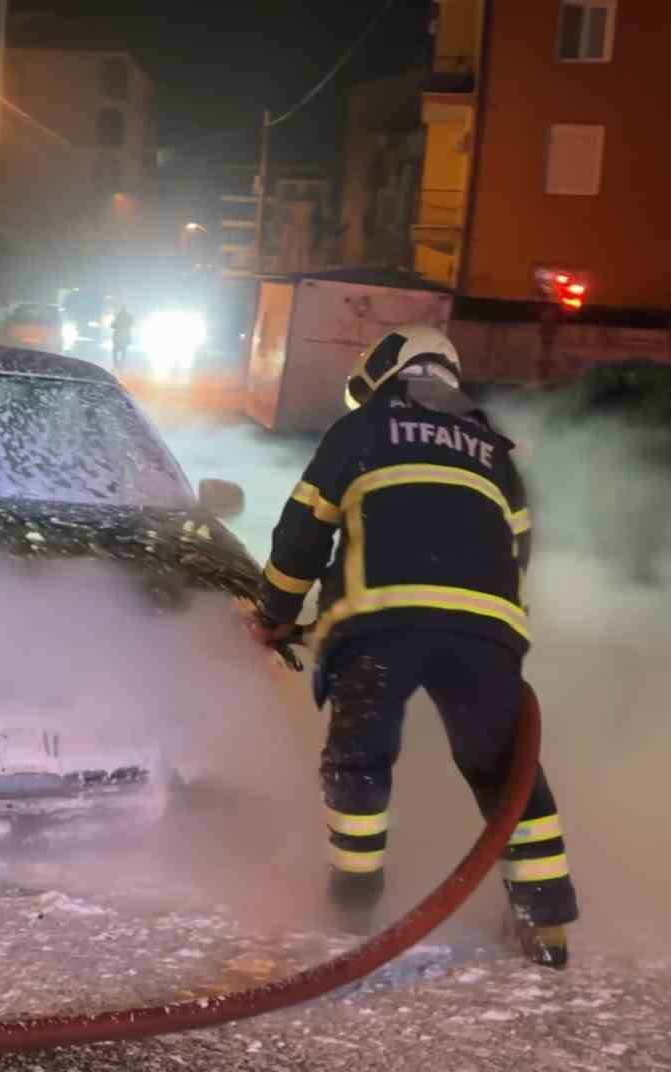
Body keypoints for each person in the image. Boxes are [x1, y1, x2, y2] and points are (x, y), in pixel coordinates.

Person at [251, 325, 579, 969]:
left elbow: (301, 535)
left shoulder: (361, 430)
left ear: (384, 373)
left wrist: (274, 614)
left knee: (361, 761)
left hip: (381, 622)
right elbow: (519, 550)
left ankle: (352, 905)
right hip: (485, 630)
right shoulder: (494, 448)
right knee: (505, 773)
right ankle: (545, 925)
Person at [111, 304, 134, 369]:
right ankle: (121, 365)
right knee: (123, 352)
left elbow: (112, 325)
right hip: (124, 336)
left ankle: (116, 365)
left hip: (118, 336)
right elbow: (131, 324)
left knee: (115, 351)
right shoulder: (129, 316)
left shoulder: (118, 316)